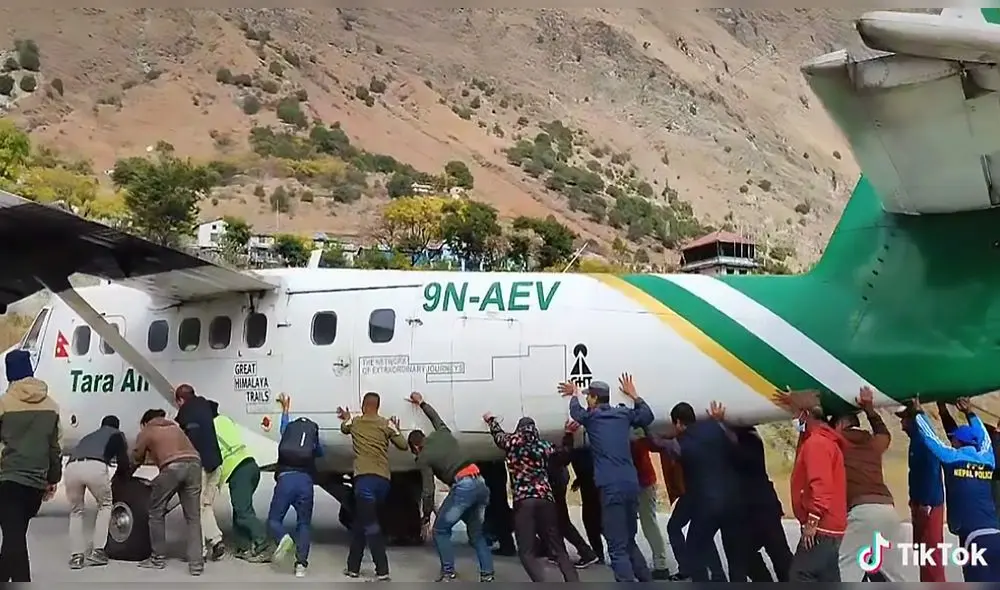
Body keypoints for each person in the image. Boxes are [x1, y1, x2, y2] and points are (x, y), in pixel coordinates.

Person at [559, 373, 654, 582]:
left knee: (617, 547)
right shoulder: (623, 414)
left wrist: (573, 394)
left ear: (594, 398)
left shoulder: (592, 418)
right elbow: (647, 416)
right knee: (629, 541)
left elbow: (576, 412)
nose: (586, 399)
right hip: (631, 483)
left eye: (588, 396)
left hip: (611, 487)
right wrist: (635, 396)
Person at [647, 401, 745, 582]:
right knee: (731, 551)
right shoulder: (714, 427)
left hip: (706, 503)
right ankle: (720, 579)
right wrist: (720, 420)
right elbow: (734, 441)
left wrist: (645, 425)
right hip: (732, 499)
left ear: (678, 423)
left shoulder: (682, 444)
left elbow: (657, 443)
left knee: (695, 548)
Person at [405, 391, 494, 582]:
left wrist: (426, 516)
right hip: (480, 483)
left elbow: (428, 490)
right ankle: (487, 574)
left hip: (464, 487)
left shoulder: (423, 457)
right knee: (476, 535)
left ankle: (448, 572)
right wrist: (421, 403)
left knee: (440, 530)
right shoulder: (442, 433)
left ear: (416, 447)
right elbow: (435, 418)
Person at [484, 412, 578, 581]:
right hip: (545, 499)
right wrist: (569, 435)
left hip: (524, 501)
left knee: (526, 552)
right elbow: (564, 455)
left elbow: (498, 436)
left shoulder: (511, 443)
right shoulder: (544, 446)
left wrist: (491, 421)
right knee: (558, 549)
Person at [914, 397, 1000, 582]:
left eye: (953, 439)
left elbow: (930, 438)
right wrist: (969, 412)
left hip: (973, 537)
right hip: (995, 532)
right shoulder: (988, 460)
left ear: (957, 442)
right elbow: (984, 438)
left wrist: (919, 412)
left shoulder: (951, 458)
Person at [830, 386, 905, 582]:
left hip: (863, 511)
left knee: (845, 568)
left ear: (840, 424)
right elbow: (884, 434)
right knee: (892, 574)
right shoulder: (872, 444)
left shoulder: (836, 444)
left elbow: (818, 434)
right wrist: (869, 409)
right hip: (888, 510)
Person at [0, 349, 62, 582]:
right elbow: (54, 447)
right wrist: (53, 478)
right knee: (14, 537)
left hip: (8, 481)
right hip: (36, 484)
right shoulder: (51, 406)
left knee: (14, 540)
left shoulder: (4, 403)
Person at [338, 391, 408, 581]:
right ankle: (353, 567)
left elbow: (344, 428)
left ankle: (382, 570)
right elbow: (403, 445)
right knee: (361, 522)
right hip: (383, 481)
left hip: (364, 480)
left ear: (363, 405)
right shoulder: (386, 424)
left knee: (370, 525)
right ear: (378, 406)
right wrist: (396, 429)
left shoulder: (356, 422)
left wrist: (346, 417)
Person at [131, 408, 204, 575]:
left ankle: (157, 558)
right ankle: (196, 564)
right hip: (195, 465)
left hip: (173, 467)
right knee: (193, 517)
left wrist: (126, 474)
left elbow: (136, 456)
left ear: (145, 422)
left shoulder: (148, 430)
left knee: (155, 510)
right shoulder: (176, 428)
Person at [786, 392, 846, 582]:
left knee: (801, 575)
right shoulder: (823, 440)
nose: (795, 419)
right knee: (827, 578)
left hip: (822, 526)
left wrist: (812, 521)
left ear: (805, 414)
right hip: (831, 526)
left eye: (796, 414)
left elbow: (821, 484)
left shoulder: (816, 444)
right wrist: (793, 399)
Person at [728, 424, 793, 581]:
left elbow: (743, 459)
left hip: (763, 508)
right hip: (752, 509)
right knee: (747, 554)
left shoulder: (750, 440)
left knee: (779, 555)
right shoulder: (745, 439)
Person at [267, 393, 323, 578]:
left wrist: (285, 409)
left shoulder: (288, 431)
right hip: (305, 481)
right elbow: (320, 453)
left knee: (274, 520)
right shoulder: (311, 437)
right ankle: (301, 565)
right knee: (304, 523)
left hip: (286, 479)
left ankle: (283, 537)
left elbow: (283, 426)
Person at [209, 402, 273, 562]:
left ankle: (263, 544)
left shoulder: (209, 427)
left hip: (238, 471)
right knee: (240, 509)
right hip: (250, 465)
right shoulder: (225, 420)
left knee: (243, 512)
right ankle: (242, 547)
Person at [650, 447, 725, 582]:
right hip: (695, 490)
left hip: (696, 491)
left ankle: (711, 574)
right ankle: (712, 573)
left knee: (695, 533)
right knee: (695, 532)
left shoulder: (686, 442)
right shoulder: (687, 441)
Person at [66, 414, 130, 569]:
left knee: (76, 512)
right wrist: (123, 479)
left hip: (71, 467)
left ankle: (76, 556)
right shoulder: (117, 434)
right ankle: (98, 552)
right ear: (117, 426)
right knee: (105, 505)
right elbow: (123, 461)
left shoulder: (89, 436)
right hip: (95, 466)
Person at [896, 399, 947, 582]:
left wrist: (926, 503)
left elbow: (931, 470)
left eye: (904, 419)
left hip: (929, 504)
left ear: (913, 420)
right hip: (920, 503)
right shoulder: (917, 440)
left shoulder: (924, 440)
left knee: (931, 554)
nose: (901, 424)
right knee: (922, 551)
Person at [174, 384, 226, 561]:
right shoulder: (205, 405)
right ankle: (216, 540)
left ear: (181, 400)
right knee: (206, 505)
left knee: (196, 509)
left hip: (201, 465)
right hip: (216, 463)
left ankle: (200, 550)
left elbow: (180, 431)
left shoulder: (185, 412)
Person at [539, 421, 600, 569]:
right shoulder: (552, 448)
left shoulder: (548, 450)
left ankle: (586, 553)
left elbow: (564, 454)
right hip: (557, 478)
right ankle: (560, 553)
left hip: (554, 481)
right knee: (555, 521)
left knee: (561, 521)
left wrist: (568, 435)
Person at [629, 429, 671, 579]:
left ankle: (661, 565)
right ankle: (659, 564)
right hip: (640, 481)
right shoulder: (634, 429)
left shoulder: (634, 433)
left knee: (648, 524)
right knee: (647, 523)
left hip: (642, 482)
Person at [568, 435, 604, 565]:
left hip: (592, 489)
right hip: (592, 487)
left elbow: (586, 470)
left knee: (592, 522)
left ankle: (599, 554)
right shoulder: (588, 449)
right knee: (596, 522)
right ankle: (602, 553)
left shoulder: (579, 451)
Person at [480, 460, 516, 556]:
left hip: (491, 470)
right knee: (498, 505)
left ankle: (505, 543)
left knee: (497, 507)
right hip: (496, 469)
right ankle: (499, 538)